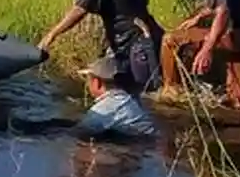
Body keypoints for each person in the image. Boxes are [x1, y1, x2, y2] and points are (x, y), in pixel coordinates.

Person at [9, 56, 158, 140]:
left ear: (97, 82)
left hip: (139, 145)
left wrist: (48, 135)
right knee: (60, 123)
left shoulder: (105, 109)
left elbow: (78, 133)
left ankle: (22, 130)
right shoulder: (125, 98)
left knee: (61, 131)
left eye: (88, 79)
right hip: (138, 138)